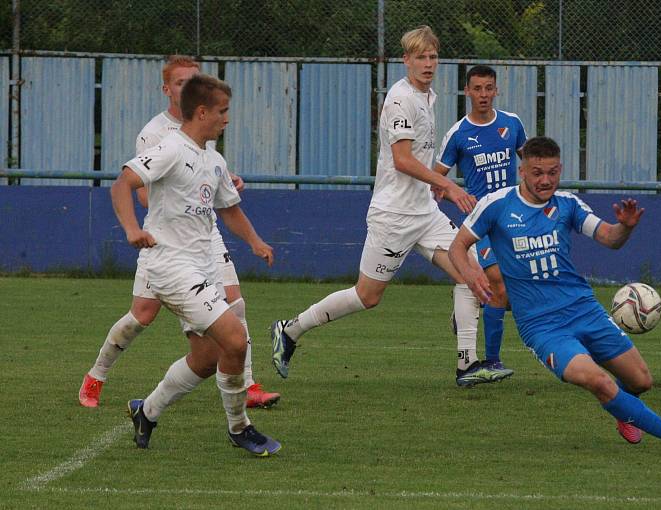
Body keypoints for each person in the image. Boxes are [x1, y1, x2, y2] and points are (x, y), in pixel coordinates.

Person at [270, 26, 510, 387]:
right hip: (394, 216)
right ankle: (290, 330)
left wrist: (434, 189)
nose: (428, 64)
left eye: (432, 57)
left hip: (424, 212)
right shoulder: (400, 99)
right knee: (367, 296)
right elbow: (401, 159)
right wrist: (445, 183)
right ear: (406, 61)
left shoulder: (429, 95)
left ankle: (467, 364)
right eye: (420, 57)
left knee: (472, 274)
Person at [448, 136, 661, 456]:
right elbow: (457, 246)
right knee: (599, 382)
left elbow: (608, 237)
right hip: (542, 326)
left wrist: (626, 227)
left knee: (640, 381)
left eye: (552, 172)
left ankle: (625, 412)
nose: (545, 180)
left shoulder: (567, 204)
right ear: (522, 170)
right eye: (537, 172)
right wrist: (471, 275)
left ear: (560, 169)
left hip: (584, 309)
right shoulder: (496, 205)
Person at [79, 55, 279, 409]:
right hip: (166, 241)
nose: (189, 86)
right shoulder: (156, 135)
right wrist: (134, 227)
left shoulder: (207, 125)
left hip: (204, 237)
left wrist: (222, 182)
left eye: (194, 79)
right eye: (181, 82)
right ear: (167, 89)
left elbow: (209, 183)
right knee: (141, 316)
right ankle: (97, 375)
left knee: (235, 304)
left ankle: (246, 387)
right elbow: (140, 192)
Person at [433, 64, 527, 375]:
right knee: (496, 280)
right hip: (481, 223)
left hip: (513, 220)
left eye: (489, 88)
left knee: (515, 292)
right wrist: (456, 194)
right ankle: (492, 361)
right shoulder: (458, 134)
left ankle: (466, 315)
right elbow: (436, 182)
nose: (483, 95)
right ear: (467, 91)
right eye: (477, 89)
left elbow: (530, 164)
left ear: (496, 90)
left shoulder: (512, 125)